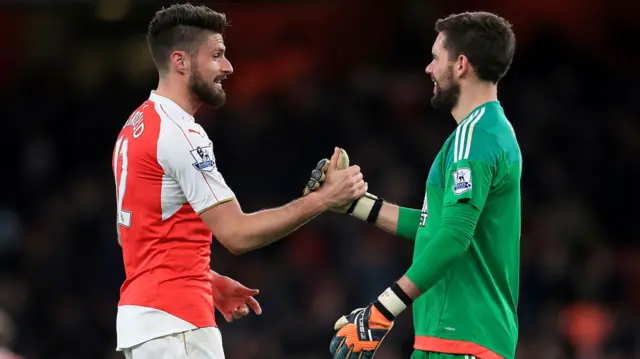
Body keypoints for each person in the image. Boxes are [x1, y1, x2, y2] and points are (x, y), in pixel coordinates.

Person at [112, 4, 366, 359]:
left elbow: (140, 236)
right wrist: (323, 199)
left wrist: (205, 278)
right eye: (216, 55)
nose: (228, 67)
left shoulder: (134, 127)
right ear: (181, 61)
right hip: (177, 323)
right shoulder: (180, 133)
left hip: (148, 322)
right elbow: (237, 234)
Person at [308, 11, 520, 359]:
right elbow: (434, 226)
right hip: (458, 336)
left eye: (436, 58)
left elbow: (454, 237)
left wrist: (382, 309)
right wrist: (352, 203)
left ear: (461, 65)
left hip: (462, 334)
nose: (429, 69)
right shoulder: (487, 132)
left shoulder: (475, 137)